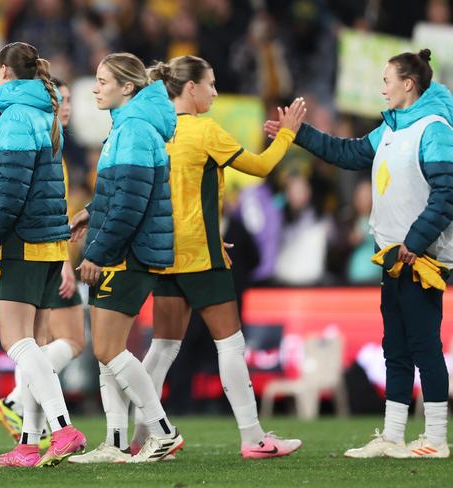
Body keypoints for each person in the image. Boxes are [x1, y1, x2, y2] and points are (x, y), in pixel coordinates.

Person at [71, 55, 304, 464]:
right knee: (230, 345)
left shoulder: (153, 131)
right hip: (200, 256)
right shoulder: (204, 131)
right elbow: (262, 166)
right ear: (191, 88)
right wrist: (286, 135)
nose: (214, 91)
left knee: (162, 348)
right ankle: (253, 437)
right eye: (210, 84)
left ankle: (145, 436)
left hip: (160, 255)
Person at [265, 49, 453, 459]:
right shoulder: (390, 129)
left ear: (408, 84)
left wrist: (415, 242)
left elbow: (447, 194)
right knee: (396, 348)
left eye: (387, 79)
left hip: (419, 259)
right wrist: (300, 134)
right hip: (391, 255)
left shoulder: (436, 128)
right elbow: (347, 154)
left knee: (424, 347)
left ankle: (437, 440)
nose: (381, 87)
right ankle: (393, 436)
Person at [0, 42, 86, 468]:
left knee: (16, 342)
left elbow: (9, 194)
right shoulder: (45, 113)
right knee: (34, 345)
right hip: (51, 244)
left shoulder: (14, 118)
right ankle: (29, 444)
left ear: (2, 71)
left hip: (23, 243)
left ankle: (64, 428)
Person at [68, 52, 182, 464]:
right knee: (105, 350)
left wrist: (97, 252)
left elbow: (131, 208)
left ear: (128, 87)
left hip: (129, 254)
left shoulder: (133, 128)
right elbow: (120, 196)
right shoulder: (128, 126)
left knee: (109, 348)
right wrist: (92, 210)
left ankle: (163, 432)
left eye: (102, 81)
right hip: (127, 249)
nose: (95, 88)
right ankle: (116, 442)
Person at [0, 78, 85, 445]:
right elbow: (32, 205)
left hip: (43, 251)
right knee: (44, 342)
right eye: (61, 97)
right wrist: (61, 260)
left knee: (35, 343)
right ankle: (29, 418)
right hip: (43, 252)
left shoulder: (47, 141)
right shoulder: (43, 140)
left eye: (70, 98)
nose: (67, 104)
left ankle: (34, 434)